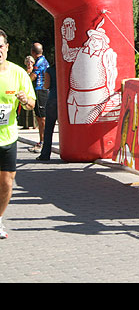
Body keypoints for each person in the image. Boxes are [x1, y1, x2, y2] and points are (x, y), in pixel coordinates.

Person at [0, 30, 36, 239]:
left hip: (8, 137)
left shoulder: (18, 73)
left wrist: (25, 100)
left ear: (7, 47)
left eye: (0, 47)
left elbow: (32, 104)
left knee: (7, 182)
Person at [27, 42, 49, 152]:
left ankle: (43, 142)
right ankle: (42, 141)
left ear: (32, 52)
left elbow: (33, 76)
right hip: (42, 91)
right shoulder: (43, 60)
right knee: (39, 118)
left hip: (40, 90)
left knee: (42, 118)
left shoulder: (39, 62)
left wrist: (25, 81)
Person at [36, 64, 57, 161]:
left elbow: (46, 85)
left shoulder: (50, 70)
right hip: (66, 99)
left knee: (49, 128)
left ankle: (45, 154)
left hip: (53, 99)